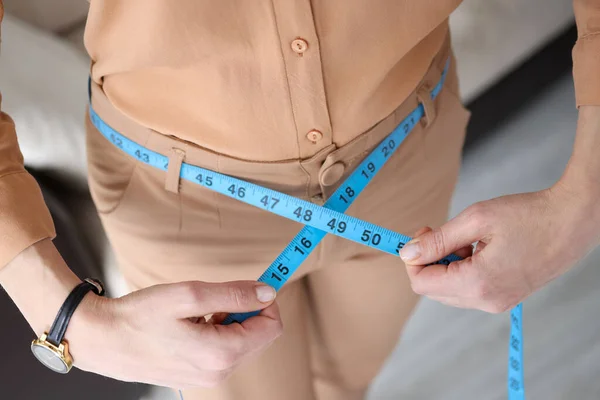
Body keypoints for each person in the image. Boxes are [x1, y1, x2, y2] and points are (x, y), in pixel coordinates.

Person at [0, 1, 599, 399]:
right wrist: (61, 314)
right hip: (181, 201)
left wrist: (584, 200)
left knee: (344, 383)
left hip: (407, 150)